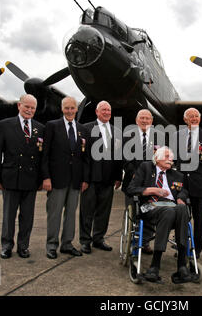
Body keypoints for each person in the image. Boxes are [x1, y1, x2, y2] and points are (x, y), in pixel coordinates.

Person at [127, 146, 192, 284]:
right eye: (167, 157)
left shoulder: (177, 175)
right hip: (149, 205)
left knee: (181, 208)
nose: (171, 160)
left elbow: (184, 191)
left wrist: (180, 198)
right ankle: (155, 265)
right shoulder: (145, 168)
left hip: (172, 207)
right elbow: (131, 189)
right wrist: (152, 190)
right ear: (157, 158)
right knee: (169, 210)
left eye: (172, 158)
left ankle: (181, 265)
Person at [0, 94, 45, 259]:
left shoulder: (40, 128)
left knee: (27, 216)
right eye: (26, 107)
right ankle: (6, 246)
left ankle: (23, 246)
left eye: (32, 108)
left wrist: (42, 179)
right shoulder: (4, 125)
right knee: (9, 215)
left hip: (31, 180)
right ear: (19, 106)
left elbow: (42, 156)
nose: (29, 110)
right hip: (11, 177)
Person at [41, 97, 89, 259]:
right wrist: (46, 177)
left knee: (71, 213)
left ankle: (67, 244)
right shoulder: (52, 126)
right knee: (54, 214)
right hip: (56, 179)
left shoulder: (83, 130)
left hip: (75, 180)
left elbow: (85, 158)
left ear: (77, 109)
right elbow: (45, 155)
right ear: (62, 109)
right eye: (67, 108)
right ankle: (51, 245)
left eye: (72, 108)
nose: (70, 111)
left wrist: (85, 179)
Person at [79, 101, 123, 254]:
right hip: (90, 179)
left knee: (104, 212)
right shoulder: (86, 128)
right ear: (97, 112)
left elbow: (118, 156)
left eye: (108, 110)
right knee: (87, 211)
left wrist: (118, 177)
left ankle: (98, 239)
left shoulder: (116, 131)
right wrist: (83, 179)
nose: (106, 112)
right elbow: (82, 157)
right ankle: (85, 241)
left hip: (108, 179)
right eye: (103, 110)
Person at [122, 109, 165, 255]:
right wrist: (136, 174)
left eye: (147, 118)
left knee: (149, 213)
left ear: (152, 121)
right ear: (136, 120)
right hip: (133, 182)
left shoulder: (159, 137)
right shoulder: (128, 136)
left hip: (151, 183)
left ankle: (145, 242)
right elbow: (125, 158)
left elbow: (160, 159)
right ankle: (132, 243)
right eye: (142, 118)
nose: (145, 121)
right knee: (133, 214)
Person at [174, 107, 202, 259]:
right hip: (181, 185)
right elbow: (175, 160)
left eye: (196, 116)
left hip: (200, 185)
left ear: (200, 118)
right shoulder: (177, 135)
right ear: (185, 120)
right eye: (190, 116)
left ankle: (196, 250)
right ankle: (181, 247)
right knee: (181, 218)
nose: (194, 118)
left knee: (199, 219)